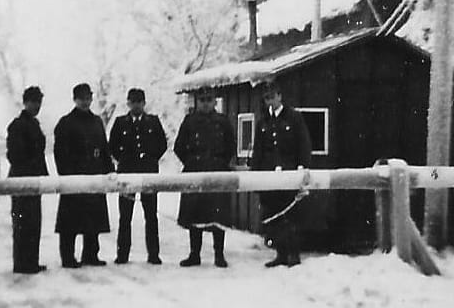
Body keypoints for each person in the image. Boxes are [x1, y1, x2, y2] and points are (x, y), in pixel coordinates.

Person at [251, 81, 312, 268]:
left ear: (280, 96)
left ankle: (293, 255)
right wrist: (256, 176)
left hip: (289, 174)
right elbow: (258, 151)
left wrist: (302, 168)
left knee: (290, 215)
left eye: (272, 96)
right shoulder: (263, 122)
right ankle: (281, 254)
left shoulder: (294, 118)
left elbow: (304, 144)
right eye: (266, 98)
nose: (270, 101)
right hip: (269, 176)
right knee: (274, 214)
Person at [174, 88, 236, 268]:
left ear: (215, 102)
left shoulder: (223, 122)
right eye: (202, 100)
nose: (206, 103)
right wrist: (192, 162)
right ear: (196, 102)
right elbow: (179, 147)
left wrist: (220, 163)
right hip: (195, 172)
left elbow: (231, 146)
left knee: (218, 217)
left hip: (217, 172)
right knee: (195, 216)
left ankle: (219, 255)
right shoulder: (189, 121)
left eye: (209, 99)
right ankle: (194, 254)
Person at [54, 83, 114, 268]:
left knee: (93, 219)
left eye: (88, 98)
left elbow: (104, 148)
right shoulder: (65, 123)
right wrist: (66, 175)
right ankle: (68, 257)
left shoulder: (97, 121)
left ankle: (90, 255)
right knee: (70, 221)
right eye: (81, 98)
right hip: (74, 178)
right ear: (75, 99)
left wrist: (109, 170)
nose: (85, 101)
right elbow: (59, 153)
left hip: (94, 176)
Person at [109, 88, 167, 265]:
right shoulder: (120, 123)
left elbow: (162, 144)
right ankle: (122, 254)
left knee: (151, 216)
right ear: (128, 103)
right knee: (125, 217)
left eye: (139, 102)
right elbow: (112, 146)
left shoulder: (153, 122)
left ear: (144, 103)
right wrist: (125, 161)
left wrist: (150, 159)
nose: (136, 105)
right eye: (133, 102)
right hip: (127, 174)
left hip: (148, 174)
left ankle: (154, 254)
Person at [6, 86, 48, 274]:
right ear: (25, 102)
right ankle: (22, 264)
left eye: (39, 102)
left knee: (33, 222)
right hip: (21, 181)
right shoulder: (17, 125)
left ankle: (31, 261)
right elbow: (14, 155)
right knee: (23, 224)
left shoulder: (34, 124)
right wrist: (31, 169)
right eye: (33, 102)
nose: (36, 106)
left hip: (33, 181)